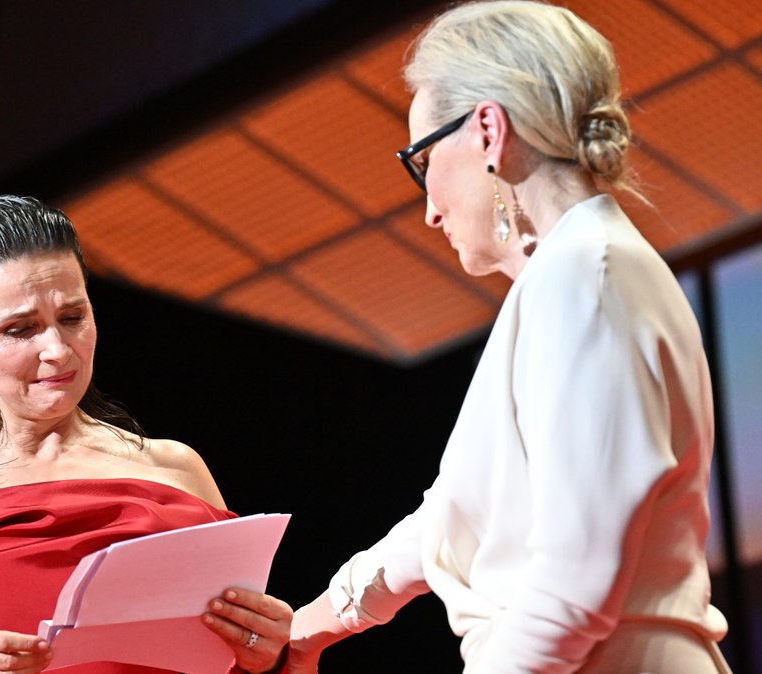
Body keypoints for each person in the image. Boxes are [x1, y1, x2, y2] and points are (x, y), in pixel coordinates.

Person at [287, 1, 731, 673]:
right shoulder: (570, 276)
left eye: (421, 160)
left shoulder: (590, 277)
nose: (429, 209)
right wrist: (310, 626)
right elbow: (451, 518)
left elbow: (572, 590)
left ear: (488, 131)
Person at [0, 194, 292, 674]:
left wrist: (267, 657)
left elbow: (233, 653)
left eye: (72, 318)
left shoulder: (175, 469)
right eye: (21, 329)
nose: (58, 351)